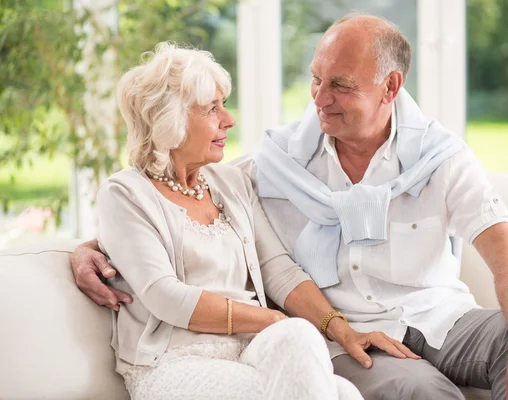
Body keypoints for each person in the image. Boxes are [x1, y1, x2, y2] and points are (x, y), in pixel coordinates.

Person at [73, 15, 508, 400]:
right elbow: (158, 210)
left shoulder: (442, 158)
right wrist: (93, 245)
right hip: (343, 340)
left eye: (341, 85)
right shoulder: (280, 162)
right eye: (315, 80)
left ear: (390, 88)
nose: (319, 100)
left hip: (437, 317)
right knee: (420, 392)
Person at [86, 41, 421, 400]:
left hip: (249, 352)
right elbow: (165, 296)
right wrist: (269, 319)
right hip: (172, 365)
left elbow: (278, 269)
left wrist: (342, 331)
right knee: (337, 391)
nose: (228, 120)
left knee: (315, 357)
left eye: (224, 105)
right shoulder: (125, 194)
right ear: (171, 119)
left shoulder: (230, 182)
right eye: (212, 109)